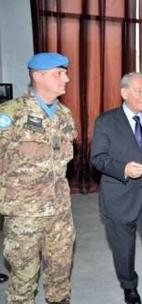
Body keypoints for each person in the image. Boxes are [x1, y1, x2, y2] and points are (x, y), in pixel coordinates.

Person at [91, 72, 142, 304]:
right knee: (123, 249)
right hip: (119, 196)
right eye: (139, 91)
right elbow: (97, 158)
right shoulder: (106, 121)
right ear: (124, 93)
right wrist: (123, 169)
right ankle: (129, 287)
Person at [0, 52, 76, 304]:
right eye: (59, 73)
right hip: (24, 216)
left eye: (65, 73)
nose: (66, 79)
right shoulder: (11, 114)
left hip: (60, 214)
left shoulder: (65, 115)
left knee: (60, 278)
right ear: (38, 76)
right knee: (23, 283)